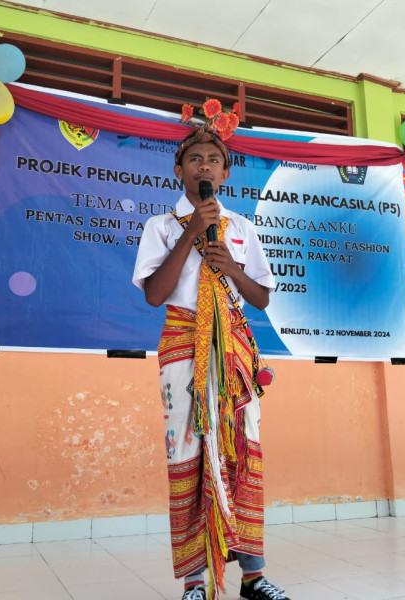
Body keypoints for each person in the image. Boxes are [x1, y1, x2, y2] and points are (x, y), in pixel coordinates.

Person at [132, 105, 290, 600]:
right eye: (195, 159)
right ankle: (196, 582)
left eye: (213, 160)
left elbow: (261, 298)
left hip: (235, 349)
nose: (204, 166)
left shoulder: (241, 227)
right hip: (184, 344)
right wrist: (190, 233)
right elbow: (154, 295)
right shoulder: (161, 225)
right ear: (178, 170)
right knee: (187, 453)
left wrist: (234, 269)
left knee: (243, 448)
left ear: (225, 173)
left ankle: (253, 577)